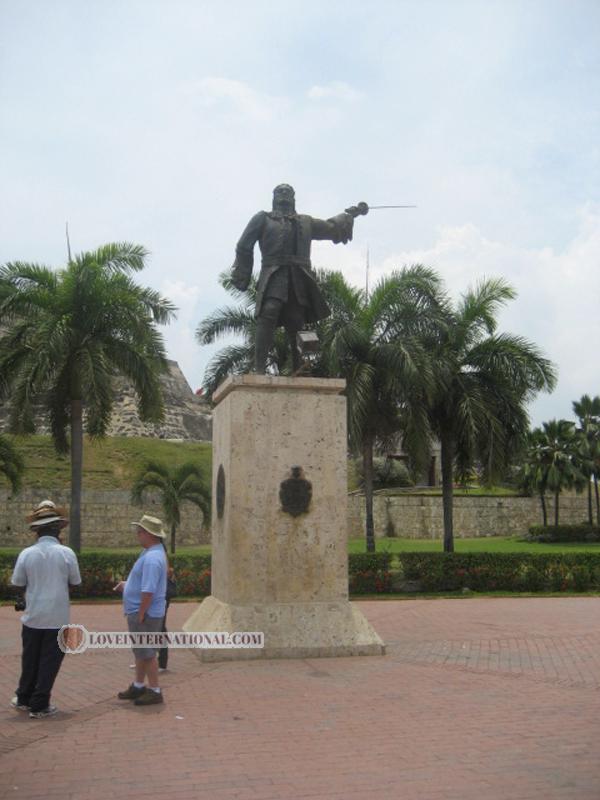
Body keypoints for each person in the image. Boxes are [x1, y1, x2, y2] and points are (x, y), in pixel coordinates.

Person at [231, 183, 359, 373]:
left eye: (288, 192)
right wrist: (243, 274)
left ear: (293, 198)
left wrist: (349, 216)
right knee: (269, 312)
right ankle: (259, 368)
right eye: (280, 191)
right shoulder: (262, 219)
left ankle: (299, 368)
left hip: (298, 276)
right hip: (274, 273)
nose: (284, 194)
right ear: (273, 197)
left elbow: (330, 227)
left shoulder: (305, 221)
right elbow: (243, 245)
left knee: (296, 319)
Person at [10, 500, 81, 719]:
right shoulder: (66, 553)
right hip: (58, 617)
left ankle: (23, 697)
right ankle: (40, 705)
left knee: (30, 659)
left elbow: (18, 583)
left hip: (33, 616)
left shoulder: (26, 554)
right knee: (50, 661)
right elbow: (75, 582)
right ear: (58, 528)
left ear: (37, 530)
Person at [114, 514, 167, 706]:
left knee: (147, 652)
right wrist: (128, 586)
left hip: (145, 613)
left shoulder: (152, 558)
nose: (138, 535)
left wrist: (142, 612)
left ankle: (154, 689)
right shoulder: (150, 552)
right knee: (140, 651)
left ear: (149, 534)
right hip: (142, 611)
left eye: (140, 531)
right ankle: (138, 685)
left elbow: (148, 590)